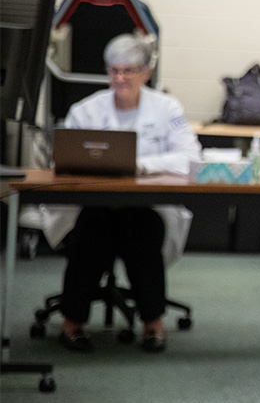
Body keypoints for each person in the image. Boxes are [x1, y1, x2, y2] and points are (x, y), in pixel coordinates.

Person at [42, 33, 200, 353]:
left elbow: (191, 157)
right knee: (92, 229)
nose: (120, 78)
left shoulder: (167, 108)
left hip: (147, 207)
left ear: (146, 72)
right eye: (114, 71)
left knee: (139, 228)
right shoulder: (85, 110)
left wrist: (140, 165)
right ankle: (73, 323)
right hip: (94, 205)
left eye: (128, 71)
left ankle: (153, 324)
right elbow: (63, 157)